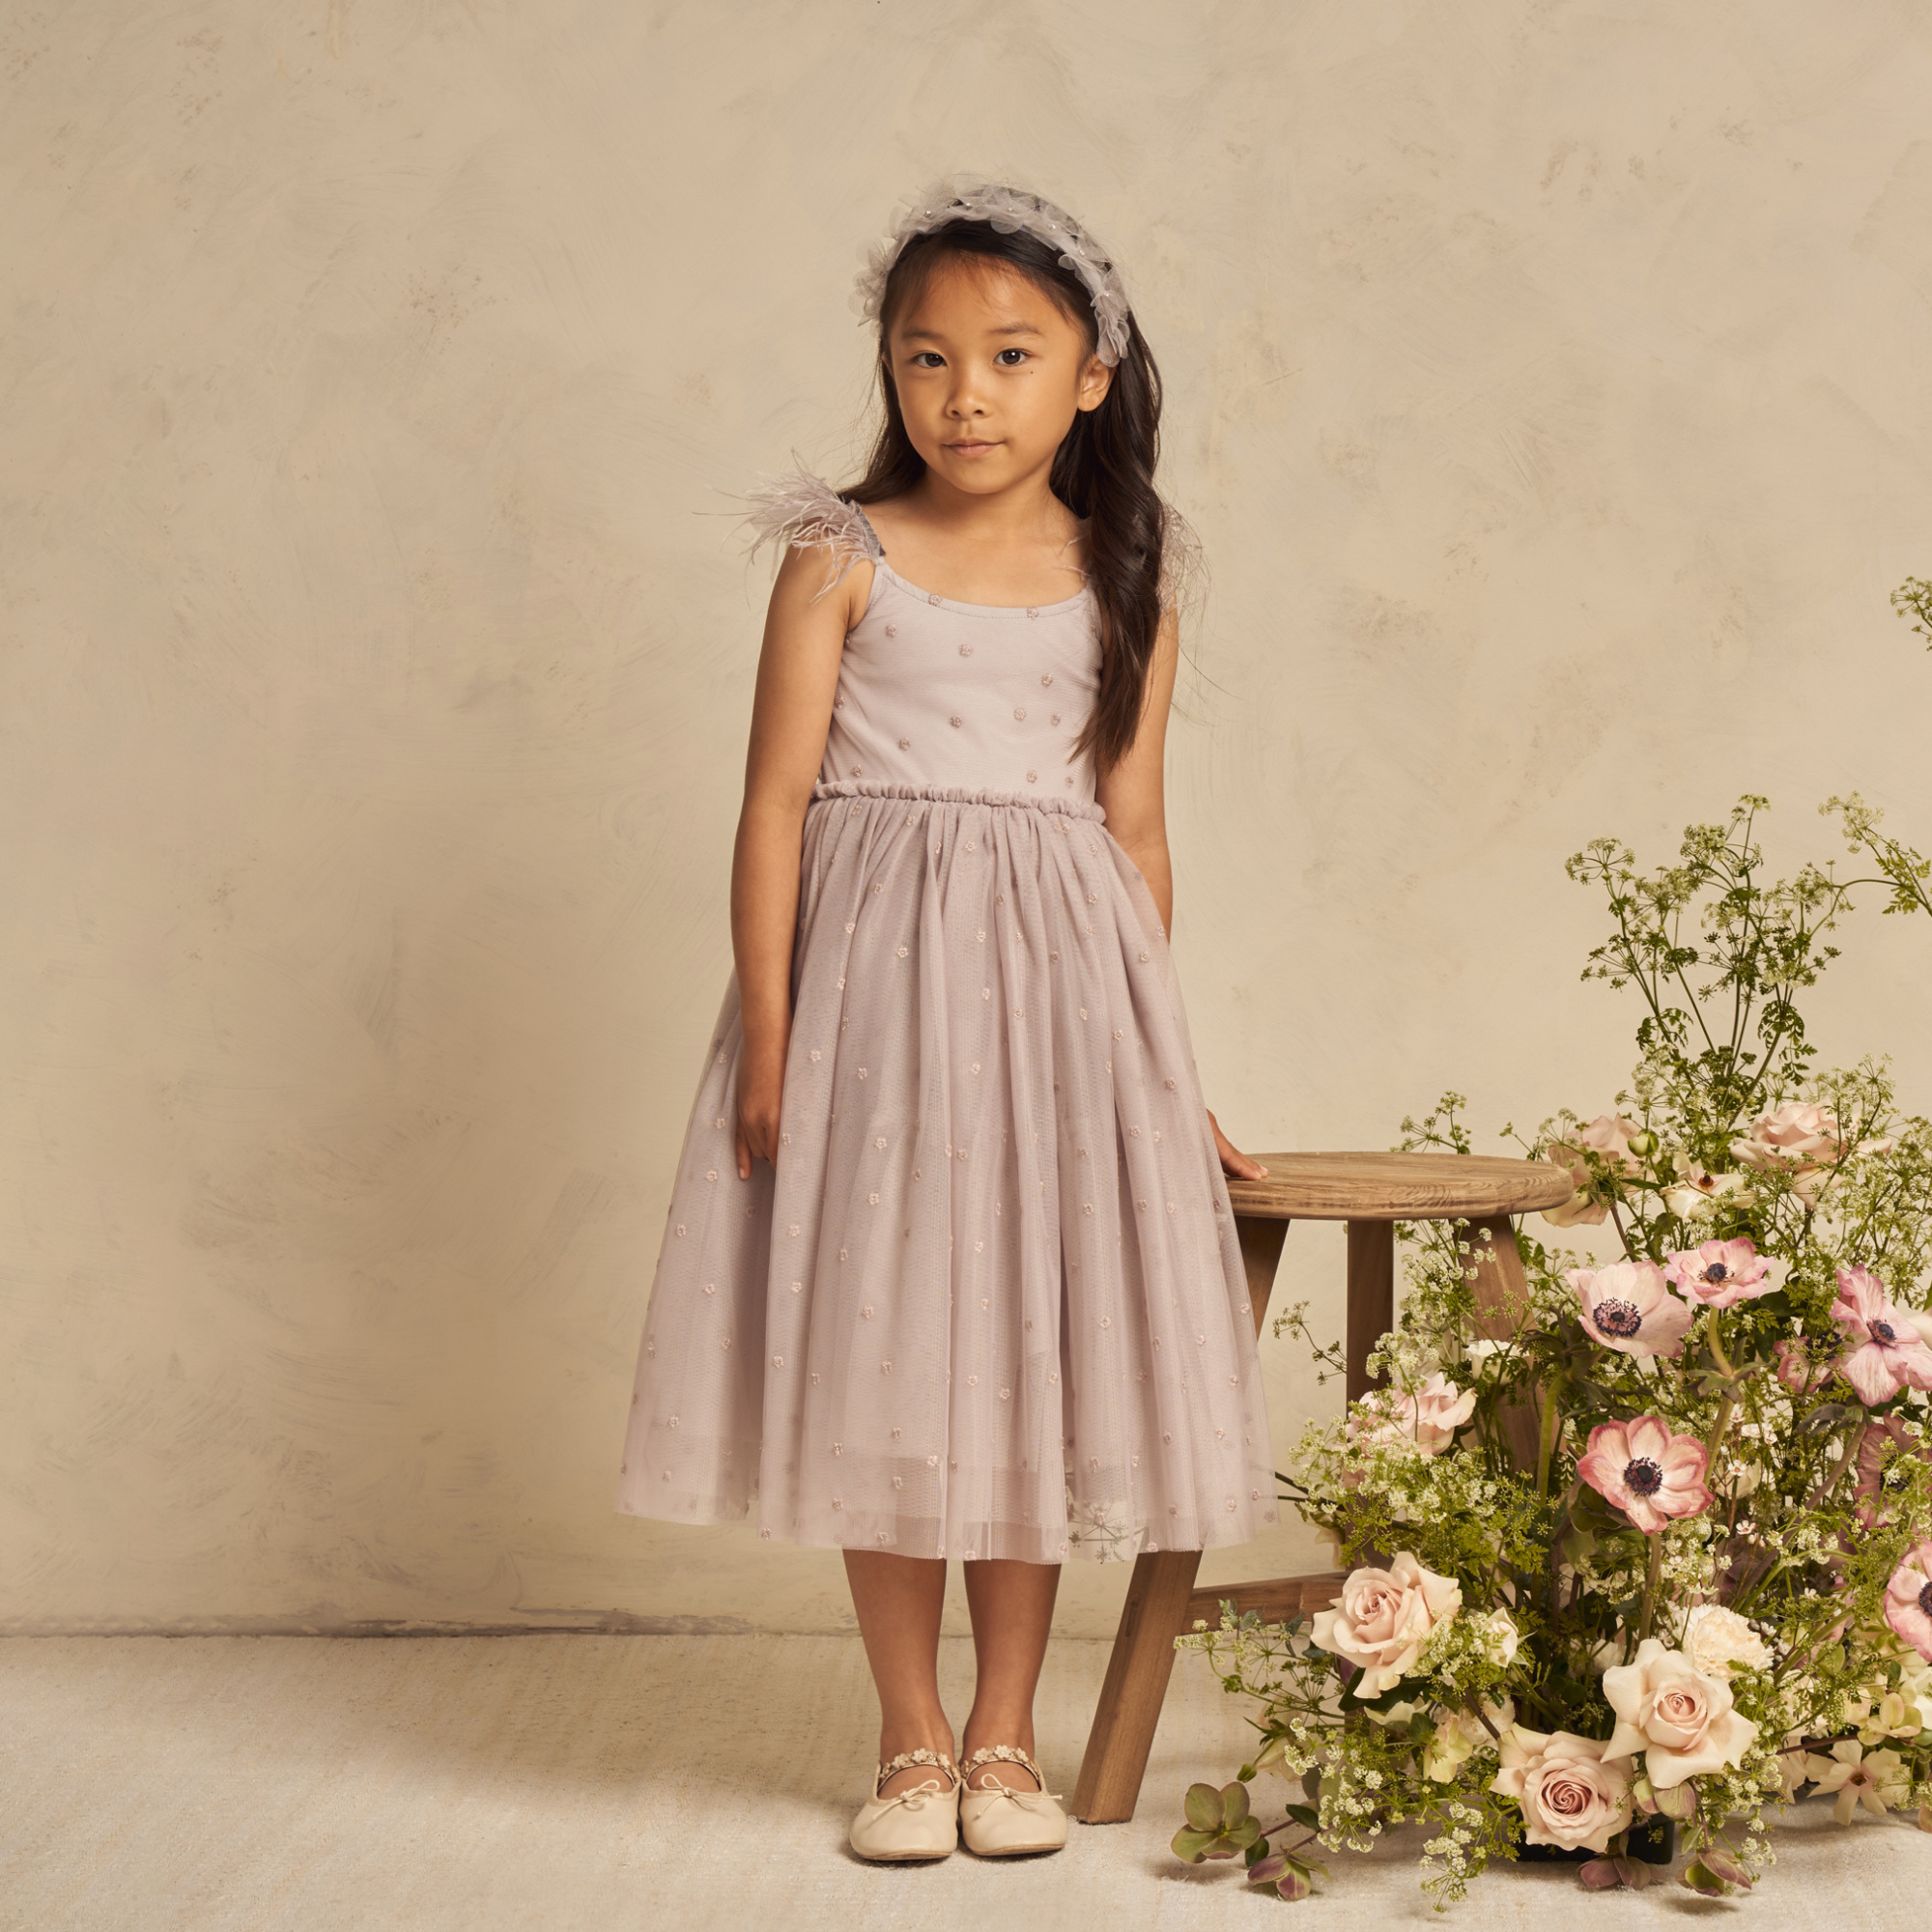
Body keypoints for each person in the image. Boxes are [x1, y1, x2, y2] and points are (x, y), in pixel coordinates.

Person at [616, 179, 1277, 1862]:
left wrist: (1159, 1072)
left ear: (1092, 375)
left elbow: (1132, 831)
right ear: (890, 375)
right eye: (926, 358)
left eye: (1006, 354)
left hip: (1061, 1034)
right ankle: (909, 1738)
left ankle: (1006, 1737)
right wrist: (770, 1042)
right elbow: (775, 806)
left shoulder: (1126, 581)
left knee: (1023, 1373)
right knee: (892, 1363)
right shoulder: (841, 557)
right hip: (870, 1026)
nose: (962, 394)